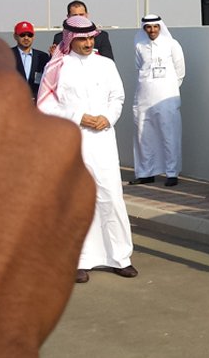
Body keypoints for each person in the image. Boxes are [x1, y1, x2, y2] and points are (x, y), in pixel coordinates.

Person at [0, 32, 95, 356]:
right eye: (23, 34)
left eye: (31, 34)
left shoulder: (91, 64)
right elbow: (48, 98)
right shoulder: (57, 64)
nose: (27, 38)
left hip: (84, 137)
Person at [38, 15, 138, 284]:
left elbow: (117, 97)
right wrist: (79, 116)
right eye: (82, 38)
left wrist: (108, 117)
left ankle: (120, 258)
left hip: (103, 140)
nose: (88, 43)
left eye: (91, 38)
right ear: (69, 38)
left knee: (111, 196)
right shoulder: (57, 67)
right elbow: (45, 106)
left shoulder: (106, 65)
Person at [129, 14, 186, 187]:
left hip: (166, 98)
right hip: (143, 96)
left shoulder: (172, 44)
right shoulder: (139, 45)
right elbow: (139, 67)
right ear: (144, 28)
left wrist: (167, 87)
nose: (152, 30)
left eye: (155, 27)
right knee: (143, 135)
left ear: (160, 27)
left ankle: (171, 173)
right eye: (148, 27)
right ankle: (146, 173)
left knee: (169, 134)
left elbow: (180, 71)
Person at [50, 0, 115, 60]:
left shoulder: (101, 36)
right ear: (68, 16)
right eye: (75, 15)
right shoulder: (60, 37)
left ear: (87, 15)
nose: (79, 18)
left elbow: (108, 60)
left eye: (81, 14)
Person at [11, 20, 50, 100]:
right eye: (22, 35)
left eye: (29, 35)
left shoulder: (42, 57)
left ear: (33, 37)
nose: (26, 38)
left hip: (36, 102)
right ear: (15, 36)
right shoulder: (7, 55)